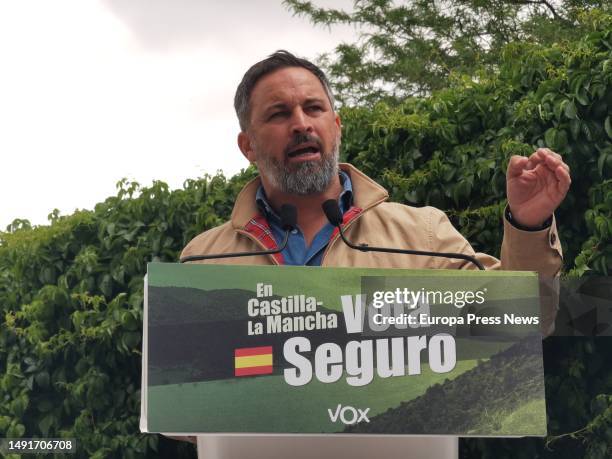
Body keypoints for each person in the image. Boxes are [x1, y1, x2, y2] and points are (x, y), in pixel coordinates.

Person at [177, 50, 571, 459]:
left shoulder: (422, 235)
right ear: (248, 145)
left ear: (336, 125)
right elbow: (178, 401)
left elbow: (521, 323)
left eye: (314, 108)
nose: (301, 124)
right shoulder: (203, 260)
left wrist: (528, 225)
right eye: (278, 114)